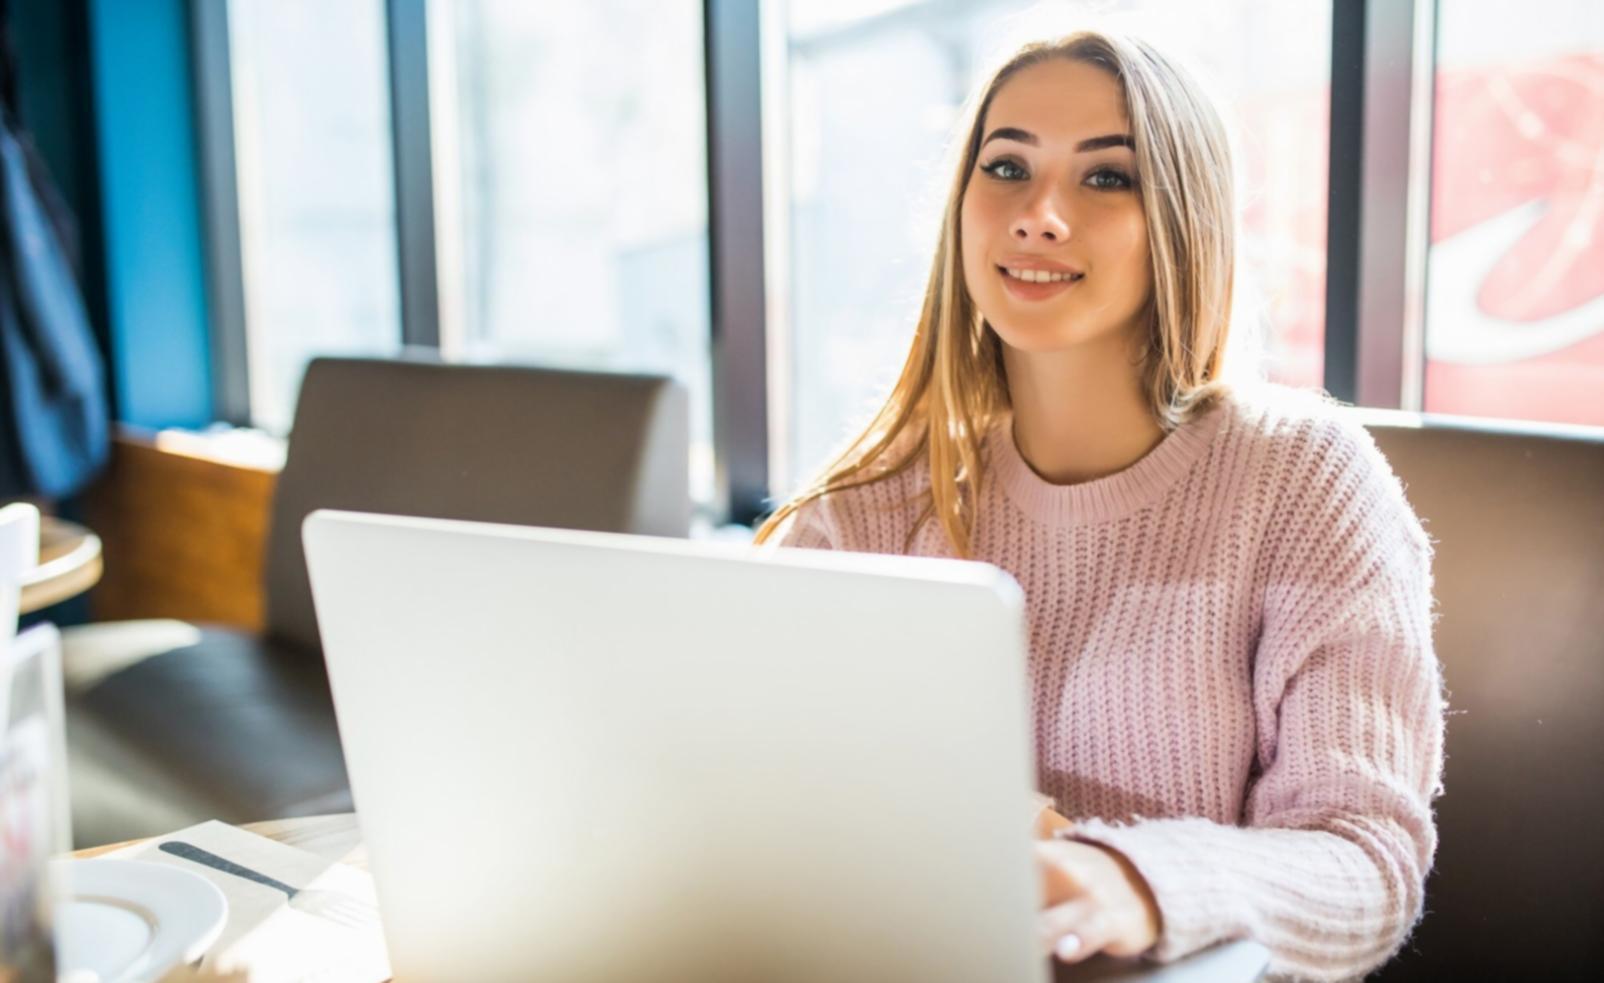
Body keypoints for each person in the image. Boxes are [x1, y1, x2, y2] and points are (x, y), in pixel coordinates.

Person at [754, 29, 1444, 982]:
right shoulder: (864, 512)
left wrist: (1138, 880)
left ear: (1183, 221)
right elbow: (758, 805)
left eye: (1106, 178)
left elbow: (1365, 863)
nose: (1038, 214)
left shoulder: (1305, 480)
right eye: (1007, 166)